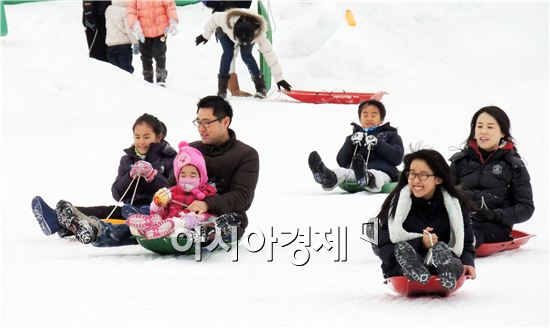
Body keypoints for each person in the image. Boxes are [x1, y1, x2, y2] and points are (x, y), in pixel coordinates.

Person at [31, 114, 176, 246]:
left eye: (146, 137)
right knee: (103, 212)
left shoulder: (170, 158)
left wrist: (153, 176)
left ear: (158, 137)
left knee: (123, 223)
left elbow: (174, 192)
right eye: (137, 137)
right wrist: (130, 176)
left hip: (155, 214)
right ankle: (56, 219)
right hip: (129, 209)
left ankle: (85, 229)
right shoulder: (128, 159)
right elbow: (117, 194)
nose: (141, 142)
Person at [374, 149, 476, 289]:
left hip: (444, 260)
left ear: (438, 178)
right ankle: (414, 266)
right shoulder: (396, 205)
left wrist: (468, 262)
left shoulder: (454, 205)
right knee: (403, 259)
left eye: (423, 175)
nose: (416, 180)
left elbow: (466, 241)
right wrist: (420, 243)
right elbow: (384, 248)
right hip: (400, 268)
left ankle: (445, 266)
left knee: (452, 263)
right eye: (412, 174)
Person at [177, 95, 259, 241]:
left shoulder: (246, 155)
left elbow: (242, 195)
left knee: (218, 226)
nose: (201, 128)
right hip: (183, 213)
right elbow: (173, 184)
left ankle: (196, 235)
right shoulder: (191, 150)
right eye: (198, 122)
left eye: (207, 122)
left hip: (228, 218)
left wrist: (207, 204)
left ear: (225, 121)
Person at [450, 106, 534, 247]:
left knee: (471, 231)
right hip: (460, 221)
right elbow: (446, 194)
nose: (483, 131)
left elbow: (526, 208)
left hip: (494, 226)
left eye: (490, 127)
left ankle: (457, 249)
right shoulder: (460, 162)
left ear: (502, 132)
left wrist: (495, 215)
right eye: (479, 126)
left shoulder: (514, 166)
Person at [126, 141, 217, 240]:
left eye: (193, 175)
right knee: (158, 217)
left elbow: (211, 213)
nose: (187, 178)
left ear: (201, 176)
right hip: (166, 223)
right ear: (177, 177)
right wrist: (157, 205)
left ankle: (171, 228)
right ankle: (148, 227)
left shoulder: (207, 193)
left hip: (190, 228)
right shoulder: (172, 192)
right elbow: (163, 213)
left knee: (185, 222)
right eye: (183, 175)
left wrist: (194, 217)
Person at [308, 99, 404, 193]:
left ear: (381, 119)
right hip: (355, 172)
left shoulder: (391, 135)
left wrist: (378, 144)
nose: (369, 118)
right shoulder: (354, 137)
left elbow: (397, 157)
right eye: (365, 115)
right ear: (360, 119)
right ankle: (326, 177)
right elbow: (341, 161)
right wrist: (351, 143)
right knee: (343, 172)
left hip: (383, 172)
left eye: (373, 115)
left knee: (377, 175)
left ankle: (367, 179)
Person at [195, 8, 292, 99]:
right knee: (228, 54)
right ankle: (222, 90)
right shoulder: (226, 19)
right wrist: (205, 35)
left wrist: (279, 78)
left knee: (247, 56)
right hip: (224, 32)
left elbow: (269, 53)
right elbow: (213, 19)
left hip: (246, 34)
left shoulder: (259, 34)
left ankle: (260, 88)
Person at [127, 0, 178, 86]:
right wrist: (135, 25)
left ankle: (161, 78)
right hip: (143, 32)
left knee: (160, 54)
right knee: (145, 56)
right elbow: (131, 10)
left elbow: (169, 5)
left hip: (160, 30)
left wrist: (173, 21)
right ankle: (148, 78)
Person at [104, 0, 138, 73]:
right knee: (126, 70)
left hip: (111, 46)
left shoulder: (108, 10)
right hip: (124, 46)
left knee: (115, 73)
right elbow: (129, 30)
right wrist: (135, 42)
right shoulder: (126, 11)